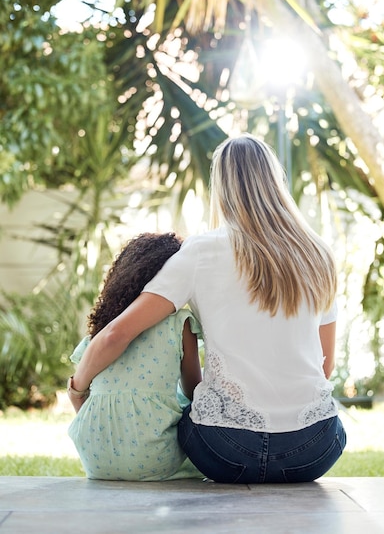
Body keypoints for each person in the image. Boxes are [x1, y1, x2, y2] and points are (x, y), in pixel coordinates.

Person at [69, 133, 346, 484]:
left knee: (189, 411)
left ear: (222, 187)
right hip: (314, 449)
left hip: (226, 453)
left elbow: (116, 333)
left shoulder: (201, 252)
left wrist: (77, 388)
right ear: (275, 181)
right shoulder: (317, 253)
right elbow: (326, 365)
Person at [67, 232, 203, 481]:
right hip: (154, 458)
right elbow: (195, 391)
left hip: (94, 457)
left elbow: (81, 396)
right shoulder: (179, 323)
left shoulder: (102, 330)